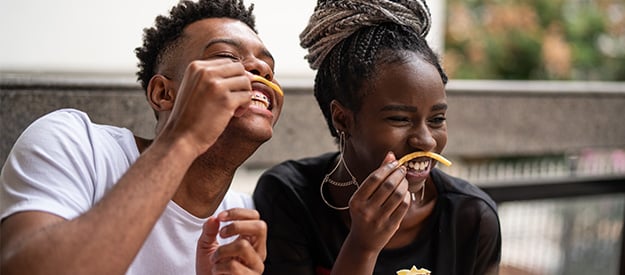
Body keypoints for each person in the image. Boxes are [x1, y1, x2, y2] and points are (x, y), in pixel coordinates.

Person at [0, 0, 283, 274]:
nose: (262, 70)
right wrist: (183, 138)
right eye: (227, 57)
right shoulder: (74, 143)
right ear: (163, 94)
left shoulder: (242, 219)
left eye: (268, 68)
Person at [252, 0, 501, 274]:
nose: (427, 141)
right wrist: (362, 246)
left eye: (437, 119)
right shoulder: (288, 196)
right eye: (400, 119)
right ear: (343, 119)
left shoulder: (471, 218)